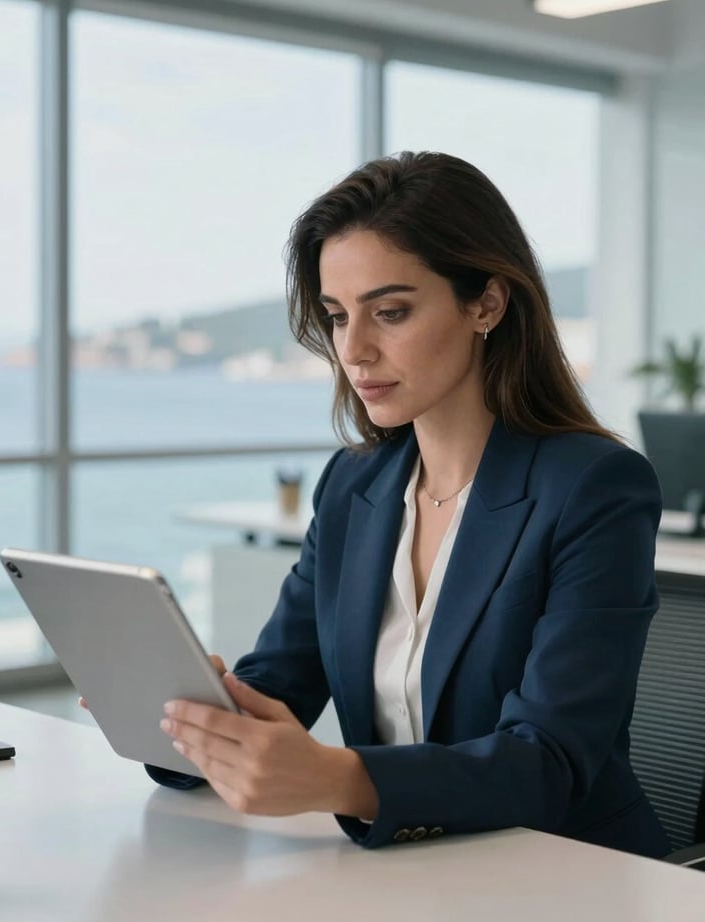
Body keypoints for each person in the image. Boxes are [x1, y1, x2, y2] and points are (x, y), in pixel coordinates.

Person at [151, 151, 670, 856]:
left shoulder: (595, 487)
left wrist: (341, 778)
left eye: (390, 312)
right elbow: (279, 681)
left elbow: (548, 761)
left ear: (486, 303)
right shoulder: (353, 487)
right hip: (406, 871)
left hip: (568, 872)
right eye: (337, 317)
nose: (354, 350)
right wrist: (186, 716)